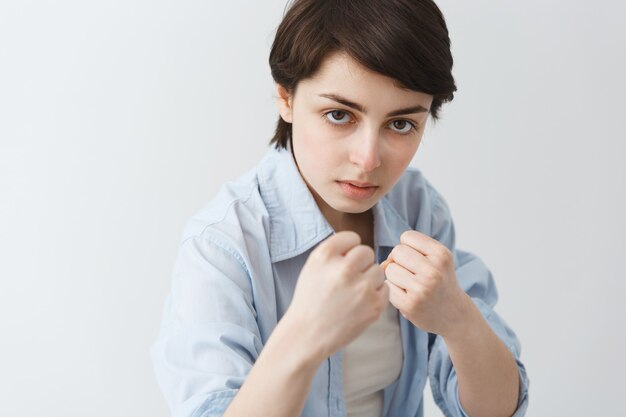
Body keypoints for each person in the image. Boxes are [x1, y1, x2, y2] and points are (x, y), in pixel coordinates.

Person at [150, 0, 530, 416]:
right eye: (338, 115)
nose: (368, 160)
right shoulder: (222, 245)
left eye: (401, 123)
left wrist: (459, 318)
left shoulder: (419, 209)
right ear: (286, 98)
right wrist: (304, 334)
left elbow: (496, 410)